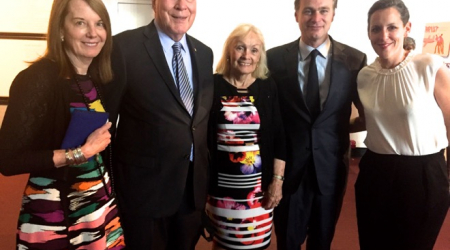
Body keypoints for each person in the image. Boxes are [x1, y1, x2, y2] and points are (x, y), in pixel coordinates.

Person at [0, 0, 125, 249]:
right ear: (60, 29)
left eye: (99, 24)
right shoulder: (36, 80)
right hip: (55, 214)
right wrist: (81, 153)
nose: (93, 33)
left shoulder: (96, 78)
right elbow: (8, 160)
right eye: (81, 23)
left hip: (96, 207)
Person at [104, 0, 214, 249]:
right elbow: (106, 125)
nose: (181, 5)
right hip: (144, 195)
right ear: (154, 3)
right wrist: (109, 189)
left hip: (191, 191)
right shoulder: (122, 48)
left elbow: (197, 122)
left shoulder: (204, 53)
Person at [266, 0, 367, 249]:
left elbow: (368, 115)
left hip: (331, 169)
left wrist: (341, 128)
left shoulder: (354, 60)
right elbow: (269, 117)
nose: (316, 17)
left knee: (322, 241)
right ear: (296, 15)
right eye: (308, 10)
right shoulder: (274, 59)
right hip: (288, 170)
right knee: (287, 241)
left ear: (333, 15)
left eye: (324, 10)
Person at [355, 0, 450, 249]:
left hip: (423, 173)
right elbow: (369, 121)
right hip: (375, 171)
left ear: (407, 28)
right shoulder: (365, 76)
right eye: (376, 29)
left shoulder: (429, 67)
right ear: (368, 32)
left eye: (391, 27)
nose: (383, 36)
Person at [205, 24, 286, 250]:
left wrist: (277, 181)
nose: (246, 56)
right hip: (221, 190)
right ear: (229, 51)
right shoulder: (213, 85)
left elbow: (279, 136)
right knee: (223, 244)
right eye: (240, 48)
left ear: (260, 56)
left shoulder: (267, 86)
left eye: (254, 50)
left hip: (257, 191)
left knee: (256, 244)